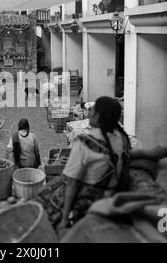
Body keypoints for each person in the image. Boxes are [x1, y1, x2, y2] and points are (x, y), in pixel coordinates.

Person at [36, 96, 167, 236]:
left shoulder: (84, 142)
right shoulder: (121, 137)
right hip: (110, 191)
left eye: (93, 109)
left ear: (98, 116)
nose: (90, 111)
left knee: (43, 200)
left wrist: (64, 219)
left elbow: (72, 183)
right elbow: (124, 157)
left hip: (88, 197)